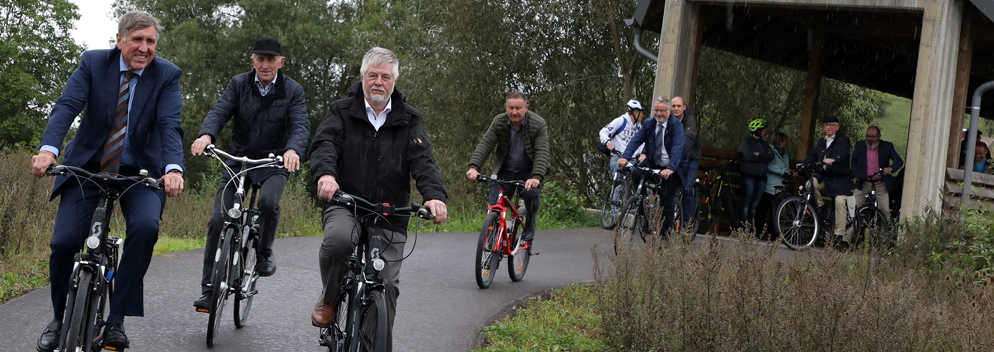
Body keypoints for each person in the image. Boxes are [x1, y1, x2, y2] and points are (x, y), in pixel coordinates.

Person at [29, 10, 184, 351]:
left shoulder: (167, 75)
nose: (144, 48)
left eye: (151, 41)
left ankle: (116, 321)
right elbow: (67, 106)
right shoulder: (94, 63)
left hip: (139, 173)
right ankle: (58, 318)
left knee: (145, 228)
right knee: (63, 243)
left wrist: (173, 168)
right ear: (119, 41)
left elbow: (170, 126)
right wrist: (49, 150)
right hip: (88, 168)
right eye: (137, 40)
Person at [309, 47, 448, 351]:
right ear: (362, 78)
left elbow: (423, 160)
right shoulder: (341, 111)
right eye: (372, 75)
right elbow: (325, 145)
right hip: (346, 202)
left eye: (385, 77)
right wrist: (326, 175)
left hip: (389, 210)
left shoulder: (409, 119)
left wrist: (434, 196)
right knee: (338, 241)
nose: (378, 82)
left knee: (386, 286)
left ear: (393, 82)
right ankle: (330, 296)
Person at [191, 37, 311, 311]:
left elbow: (300, 124)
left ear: (281, 62)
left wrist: (293, 150)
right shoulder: (238, 84)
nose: (265, 64)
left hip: (273, 162)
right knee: (217, 221)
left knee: (268, 202)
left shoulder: (292, 90)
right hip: (239, 160)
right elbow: (220, 110)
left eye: (271, 59)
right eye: (261, 58)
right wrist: (207, 134)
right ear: (252, 60)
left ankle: (264, 251)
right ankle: (209, 290)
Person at [466, 91, 551, 247]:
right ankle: (494, 238)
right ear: (506, 107)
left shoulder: (538, 123)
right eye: (510, 108)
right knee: (495, 206)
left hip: (529, 172)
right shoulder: (499, 122)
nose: (514, 112)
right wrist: (474, 167)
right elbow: (485, 144)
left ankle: (529, 225)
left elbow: (542, 152)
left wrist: (536, 177)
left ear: (526, 107)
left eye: (518, 108)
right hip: (505, 171)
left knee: (529, 193)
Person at [616, 96, 685, 234]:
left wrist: (670, 168)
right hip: (654, 162)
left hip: (672, 166)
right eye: (656, 110)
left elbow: (678, 147)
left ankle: (666, 237)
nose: (659, 113)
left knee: (666, 201)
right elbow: (636, 140)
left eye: (662, 111)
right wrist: (625, 157)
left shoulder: (676, 126)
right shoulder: (649, 123)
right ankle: (642, 210)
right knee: (636, 171)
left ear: (669, 111)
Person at [799, 116, 852, 249]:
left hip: (840, 179)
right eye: (826, 125)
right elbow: (813, 155)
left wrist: (834, 159)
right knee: (810, 184)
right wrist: (804, 163)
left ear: (837, 127)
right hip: (825, 178)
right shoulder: (822, 141)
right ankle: (820, 206)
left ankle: (839, 234)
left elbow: (844, 153)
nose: (828, 127)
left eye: (831, 125)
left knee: (840, 201)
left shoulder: (843, 140)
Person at [851, 126, 903, 221]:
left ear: (879, 136)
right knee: (852, 210)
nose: (870, 139)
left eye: (873, 136)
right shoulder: (859, 145)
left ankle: (884, 235)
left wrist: (890, 168)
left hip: (880, 183)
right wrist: (856, 175)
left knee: (885, 211)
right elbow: (853, 163)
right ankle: (847, 235)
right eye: (868, 136)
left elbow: (899, 162)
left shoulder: (887, 146)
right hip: (863, 183)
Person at [738, 119, 774, 230]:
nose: (765, 132)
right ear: (758, 131)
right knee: (747, 203)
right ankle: (743, 229)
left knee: (755, 204)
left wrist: (759, 155)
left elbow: (771, 156)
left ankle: (751, 230)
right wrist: (762, 156)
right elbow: (749, 156)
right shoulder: (747, 141)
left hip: (761, 177)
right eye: (764, 130)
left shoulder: (765, 144)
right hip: (749, 175)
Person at [671, 96, 701, 227]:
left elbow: (689, 138)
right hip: (676, 157)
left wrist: (677, 154)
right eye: (674, 106)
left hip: (691, 157)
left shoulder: (690, 120)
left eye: (679, 106)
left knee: (688, 188)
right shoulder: (668, 120)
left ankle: (687, 224)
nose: (676, 109)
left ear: (684, 107)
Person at [756, 132, 790, 239]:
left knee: (776, 213)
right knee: (763, 211)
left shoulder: (785, 154)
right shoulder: (770, 150)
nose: (786, 143)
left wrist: (790, 173)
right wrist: (783, 171)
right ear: (780, 141)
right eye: (784, 141)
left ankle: (773, 235)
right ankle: (758, 233)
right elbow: (769, 166)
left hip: (780, 187)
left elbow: (786, 166)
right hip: (769, 186)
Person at [598, 99, 645, 174]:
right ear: (636, 113)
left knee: (639, 175)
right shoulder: (621, 121)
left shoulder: (639, 126)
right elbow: (603, 132)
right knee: (618, 176)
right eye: (641, 113)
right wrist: (607, 142)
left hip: (631, 158)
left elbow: (642, 143)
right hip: (618, 155)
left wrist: (641, 154)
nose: (643, 115)